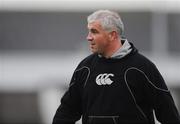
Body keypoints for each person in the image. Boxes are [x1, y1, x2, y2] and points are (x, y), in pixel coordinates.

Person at [53, 10, 180, 124]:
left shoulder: (142, 68)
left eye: (94, 31)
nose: (88, 37)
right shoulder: (85, 68)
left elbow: (169, 115)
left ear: (112, 35)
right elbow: (66, 112)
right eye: (89, 31)